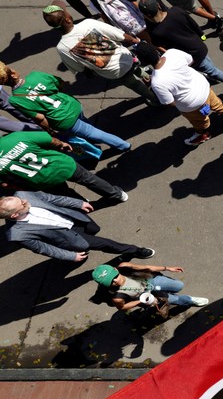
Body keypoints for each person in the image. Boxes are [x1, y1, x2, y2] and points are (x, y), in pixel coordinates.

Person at [42, 0, 158, 106]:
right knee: (135, 65)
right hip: (126, 58)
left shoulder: (62, 48)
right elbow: (120, 35)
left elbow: (80, 69)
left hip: (113, 72)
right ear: (68, 19)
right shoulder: (88, 24)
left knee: (134, 84)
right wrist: (136, 41)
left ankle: (154, 99)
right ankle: (149, 78)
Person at [133, 41, 223, 146]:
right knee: (221, 106)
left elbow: (170, 103)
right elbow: (190, 61)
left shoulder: (157, 81)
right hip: (204, 88)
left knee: (199, 122)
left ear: (144, 62)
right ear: (155, 50)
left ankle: (203, 135)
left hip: (192, 105)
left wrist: (150, 85)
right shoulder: (172, 53)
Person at [0, 62, 130, 154]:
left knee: (92, 132)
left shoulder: (16, 99)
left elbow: (40, 118)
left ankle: (123, 145)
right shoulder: (35, 75)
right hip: (72, 104)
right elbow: (59, 83)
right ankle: (93, 135)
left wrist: (49, 130)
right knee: (85, 124)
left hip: (63, 119)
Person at [137, 0, 223, 98]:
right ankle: (213, 76)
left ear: (146, 15)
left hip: (192, 57)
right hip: (199, 46)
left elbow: (157, 44)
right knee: (207, 64)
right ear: (158, 5)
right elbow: (193, 24)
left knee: (213, 71)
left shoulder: (156, 32)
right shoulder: (176, 11)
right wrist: (202, 36)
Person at [0, 191, 152, 262]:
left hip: (75, 218)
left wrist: (78, 203)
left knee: (94, 229)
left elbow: (54, 198)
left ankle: (86, 246)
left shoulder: (22, 195)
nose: (25, 201)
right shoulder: (17, 235)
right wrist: (70, 256)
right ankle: (136, 250)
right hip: (68, 237)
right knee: (106, 243)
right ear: (14, 215)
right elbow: (43, 248)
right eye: (22, 204)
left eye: (21, 200)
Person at [0, 131, 128, 201]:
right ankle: (116, 195)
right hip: (61, 165)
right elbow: (50, 140)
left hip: (41, 180)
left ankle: (82, 204)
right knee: (89, 179)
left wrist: (23, 186)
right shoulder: (15, 138)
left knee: (64, 193)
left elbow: (5, 184)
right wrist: (62, 144)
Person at [91, 262, 207, 318]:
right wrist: (140, 301)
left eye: (115, 276)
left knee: (179, 286)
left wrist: (167, 268)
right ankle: (190, 300)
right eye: (110, 282)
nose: (115, 281)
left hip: (151, 281)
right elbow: (122, 307)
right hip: (146, 296)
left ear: (115, 269)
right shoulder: (116, 297)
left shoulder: (124, 266)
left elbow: (147, 267)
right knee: (175, 299)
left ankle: (168, 293)